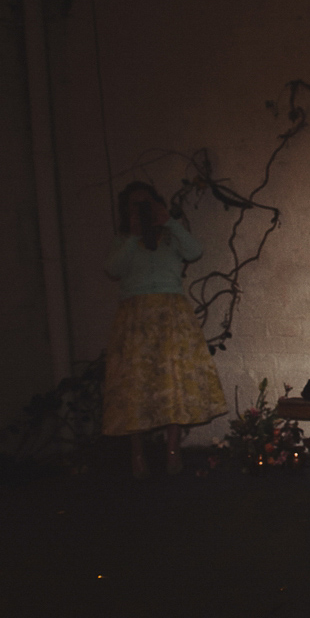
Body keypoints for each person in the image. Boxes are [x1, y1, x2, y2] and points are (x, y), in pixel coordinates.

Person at [103, 182, 227, 478]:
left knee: (173, 381)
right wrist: (133, 237)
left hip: (171, 315)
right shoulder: (123, 239)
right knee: (134, 384)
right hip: (136, 317)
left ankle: (173, 451)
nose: (140, 209)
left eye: (145, 203)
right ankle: (137, 454)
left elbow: (194, 251)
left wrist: (168, 220)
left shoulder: (171, 235)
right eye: (133, 204)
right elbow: (113, 269)